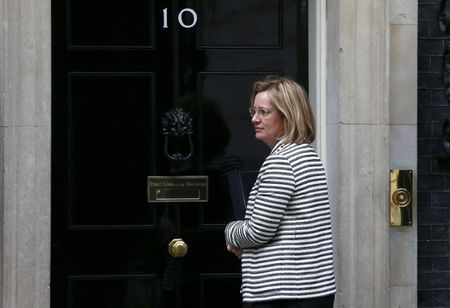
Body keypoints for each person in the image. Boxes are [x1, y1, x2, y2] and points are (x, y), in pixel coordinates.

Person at [224, 75, 336, 308]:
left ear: (287, 117)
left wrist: (231, 231)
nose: (255, 119)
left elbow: (258, 232)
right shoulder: (307, 156)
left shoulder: (282, 162)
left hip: (282, 294)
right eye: (253, 111)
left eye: (264, 112)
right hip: (312, 290)